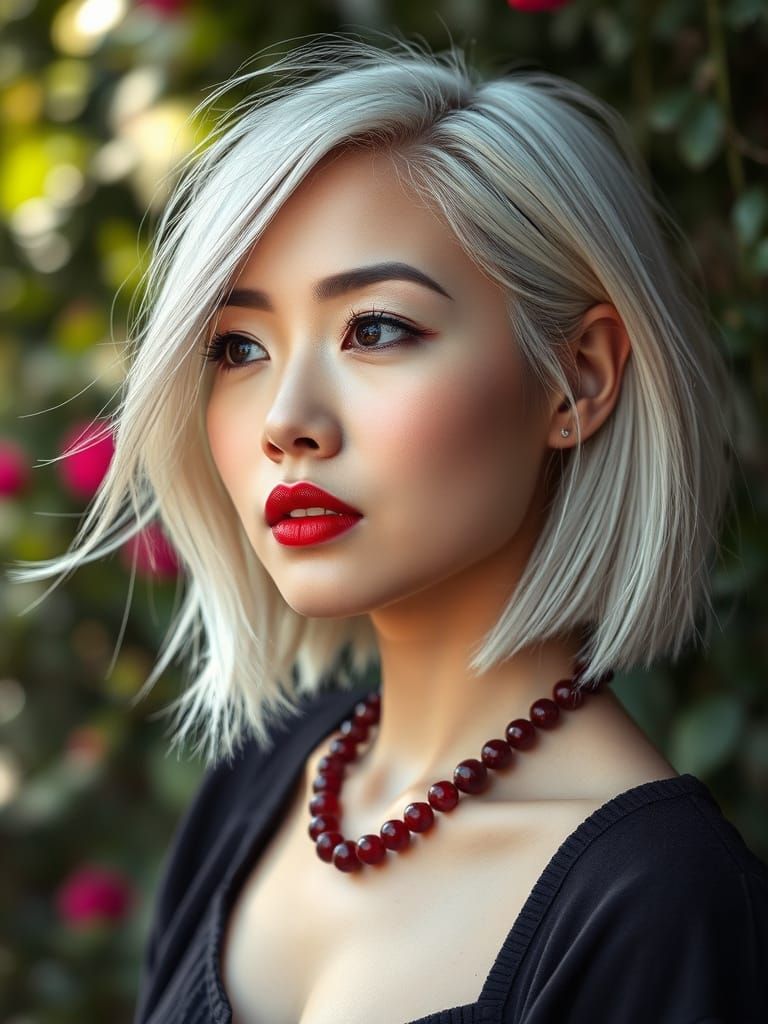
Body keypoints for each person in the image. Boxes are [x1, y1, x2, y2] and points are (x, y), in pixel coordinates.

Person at [11, 31, 768, 1024]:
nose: (286, 418)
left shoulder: (658, 901)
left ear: (579, 377)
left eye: (375, 328)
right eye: (240, 346)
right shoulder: (256, 787)